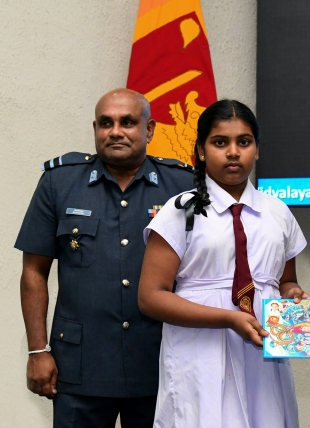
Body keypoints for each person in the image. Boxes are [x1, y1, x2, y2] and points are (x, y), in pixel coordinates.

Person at [15, 88, 195, 427]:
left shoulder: (182, 186)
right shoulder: (59, 182)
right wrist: (38, 350)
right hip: (80, 365)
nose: (115, 131)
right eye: (106, 123)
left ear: (149, 129)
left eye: (127, 122)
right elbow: (34, 272)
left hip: (160, 362)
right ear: (95, 128)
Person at [137, 99, 308, 427]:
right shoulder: (181, 210)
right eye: (220, 142)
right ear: (201, 151)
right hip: (199, 349)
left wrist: (294, 296)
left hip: (262, 352)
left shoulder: (278, 212)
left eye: (244, 142)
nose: (233, 152)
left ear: (257, 150)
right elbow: (150, 297)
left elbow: (286, 281)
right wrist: (228, 318)